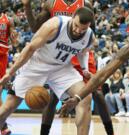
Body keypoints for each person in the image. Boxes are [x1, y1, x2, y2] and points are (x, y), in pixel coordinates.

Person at [21, 0, 114, 135]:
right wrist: (27, 6)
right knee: (53, 98)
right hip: (59, 51)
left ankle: (110, 132)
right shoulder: (51, 4)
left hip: (78, 49)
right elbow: (35, 28)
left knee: (97, 93)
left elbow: (90, 31)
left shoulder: (85, 4)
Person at [0, 7, 94, 135]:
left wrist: (84, 69)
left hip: (61, 68)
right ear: (72, 18)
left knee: (85, 97)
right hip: (37, 64)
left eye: (83, 29)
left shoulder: (89, 36)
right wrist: (10, 73)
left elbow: (83, 52)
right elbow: (30, 48)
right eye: (76, 26)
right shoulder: (55, 25)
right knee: (7, 108)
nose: (78, 31)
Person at [0, 2, 19, 135]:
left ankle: (3, 125)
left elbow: (15, 42)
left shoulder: (8, 20)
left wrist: (14, 37)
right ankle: (3, 125)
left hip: (2, 55)